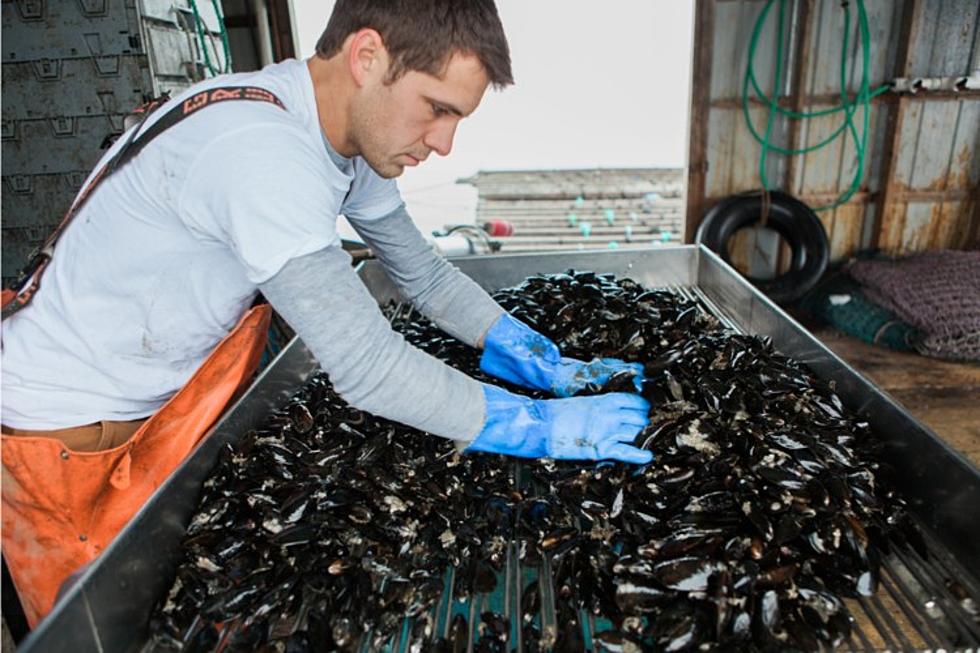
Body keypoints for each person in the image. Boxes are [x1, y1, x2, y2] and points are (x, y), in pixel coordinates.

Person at [0, 0, 651, 626]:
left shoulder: (343, 140)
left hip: (162, 401)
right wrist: (535, 424)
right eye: (436, 108)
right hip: (63, 437)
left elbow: (419, 272)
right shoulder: (261, 150)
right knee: (102, 627)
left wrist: (532, 353)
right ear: (367, 56)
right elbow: (368, 366)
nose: (446, 144)